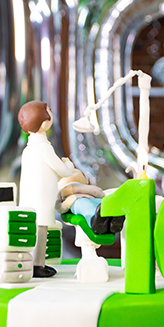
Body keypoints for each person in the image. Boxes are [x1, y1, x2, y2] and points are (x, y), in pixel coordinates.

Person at [18, 102, 123, 276]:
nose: (51, 113)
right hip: (42, 199)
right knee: (40, 233)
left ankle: (36, 264)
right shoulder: (44, 147)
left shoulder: (28, 150)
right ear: (43, 122)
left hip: (31, 198)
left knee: (36, 232)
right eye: (48, 111)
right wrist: (68, 164)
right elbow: (63, 171)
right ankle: (37, 266)